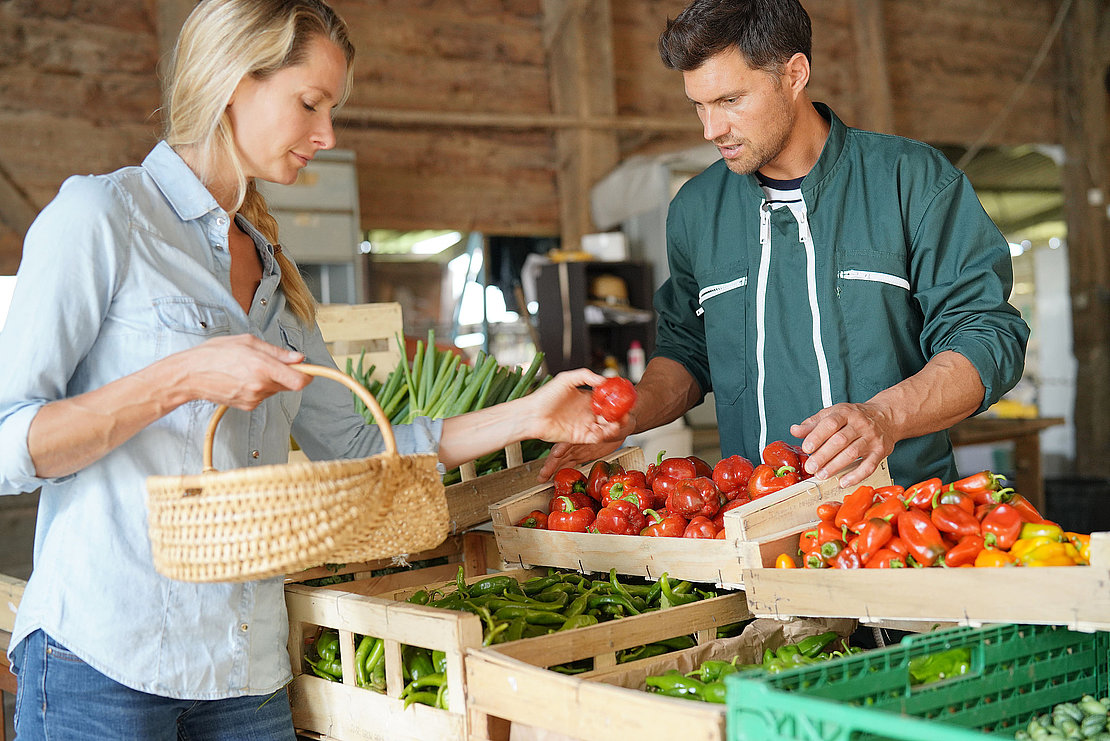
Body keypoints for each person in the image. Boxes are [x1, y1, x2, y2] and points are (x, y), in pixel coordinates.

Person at [0, 1, 622, 738]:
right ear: (234, 83)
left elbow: (364, 451)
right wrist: (185, 376)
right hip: (104, 661)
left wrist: (531, 414)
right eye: (310, 103)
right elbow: (11, 445)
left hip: (246, 668)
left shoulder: (275, 274)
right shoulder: (102, 217)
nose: (326, 133)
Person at [540, 0, 1029, 489]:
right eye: (699, 105)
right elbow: (688, 349)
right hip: (751, 515)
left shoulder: (910, 180)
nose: (711, 130)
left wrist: (885, 416)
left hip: (901, 515)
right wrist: (634, 414)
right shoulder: (695, 209)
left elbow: (985, 335)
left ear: (795, 74)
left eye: (730, 100)